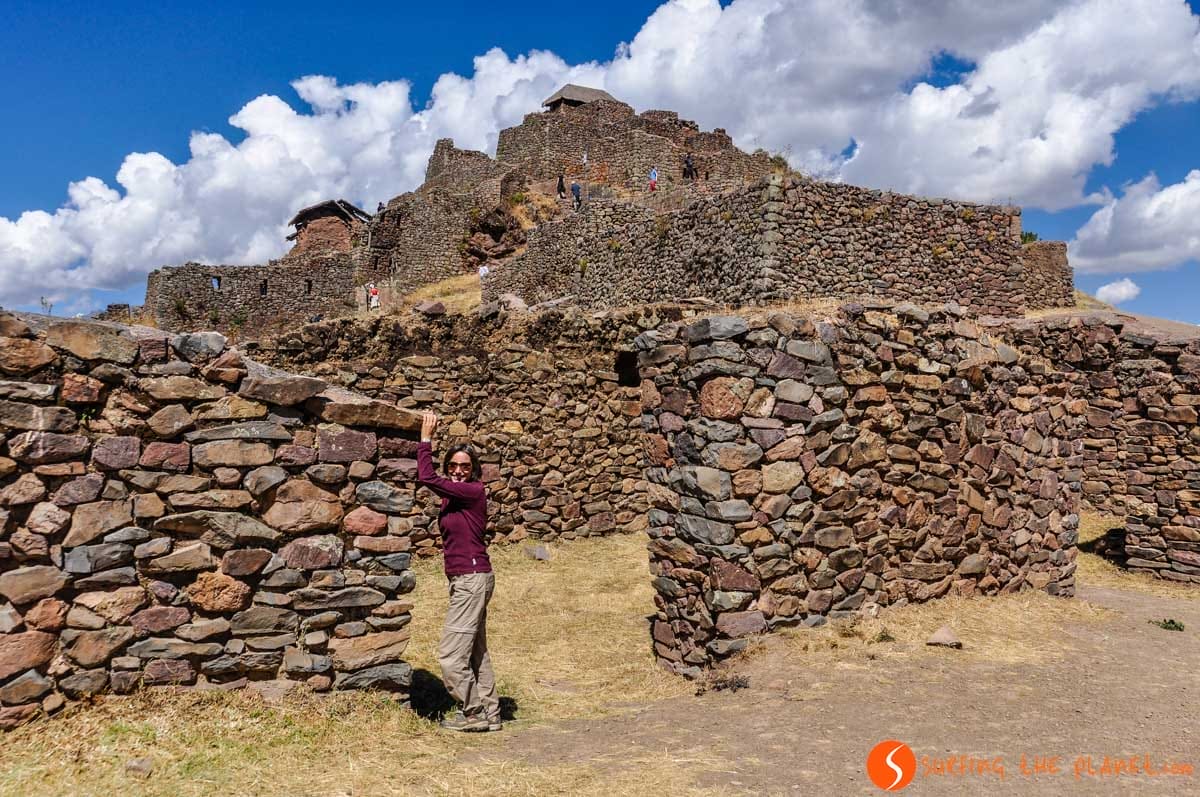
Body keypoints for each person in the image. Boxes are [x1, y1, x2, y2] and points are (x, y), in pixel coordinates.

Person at [417, 411, 501, 733]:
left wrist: (426, 440)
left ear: (474, 469)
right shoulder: (453, 500)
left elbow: (427, 478)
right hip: (469, 579)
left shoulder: (473, 491)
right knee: (477, 652)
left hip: (471, 579)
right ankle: (491, 714)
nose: (458, 471)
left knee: (451, 657)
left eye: (465, 466)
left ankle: (473, 712)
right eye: (452, 466)